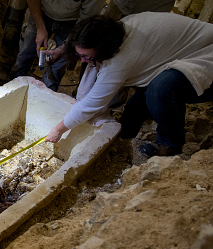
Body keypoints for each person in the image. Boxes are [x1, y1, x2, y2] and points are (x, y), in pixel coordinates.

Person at [43, 13, 213, 158]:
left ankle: (170, 143)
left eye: (86, 56)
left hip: (206, 55)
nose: (83, 61)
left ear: (102, 48)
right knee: (139, 102)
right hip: (181, 55)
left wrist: (59, 129)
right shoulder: (115, 33)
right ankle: (122, 137)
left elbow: (95, 102)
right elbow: (92, 83)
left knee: (160, 89)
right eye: (79, 54)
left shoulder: (121, 58)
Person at [11, 0, 105, 91]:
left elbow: (85, 21)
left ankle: (44, 99)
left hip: (72, 21)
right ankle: (13, 90)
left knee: (57, 66)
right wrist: (40, 27)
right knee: (25, 54)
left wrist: (63, 48)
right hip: (41, 10)